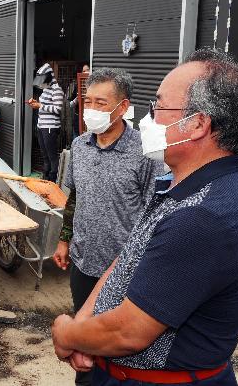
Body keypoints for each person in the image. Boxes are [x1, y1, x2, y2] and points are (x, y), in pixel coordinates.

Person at [51, 48, 238, 385]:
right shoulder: (180, 183)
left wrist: (68, 332)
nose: (150, 118)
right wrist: (85, 324)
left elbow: (129, 332)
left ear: (197, 124)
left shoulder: (204, 216)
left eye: (159, 106)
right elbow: (127, 257)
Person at [52, 68, 163, 386]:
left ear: (123, 107)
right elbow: (73, 199)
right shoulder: (80, 146)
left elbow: (152, 212)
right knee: (84, 344)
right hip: (84, 261)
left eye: (101, 103)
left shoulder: (144, 152)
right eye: (88, 101)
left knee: (120, 347)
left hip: (126, 271)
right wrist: (64, 241)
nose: (91, 110)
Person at [28, 63, 64, 181]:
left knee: (52, 156)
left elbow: (58, 109)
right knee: (45, 155)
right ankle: (45, 178)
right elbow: (44, 105)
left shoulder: (56, 89)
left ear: (49, 77)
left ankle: (53, 180)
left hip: (51, 127)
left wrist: (40, 105)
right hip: (42, 126)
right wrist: (35, 103)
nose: (40, 82)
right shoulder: (46, 89)